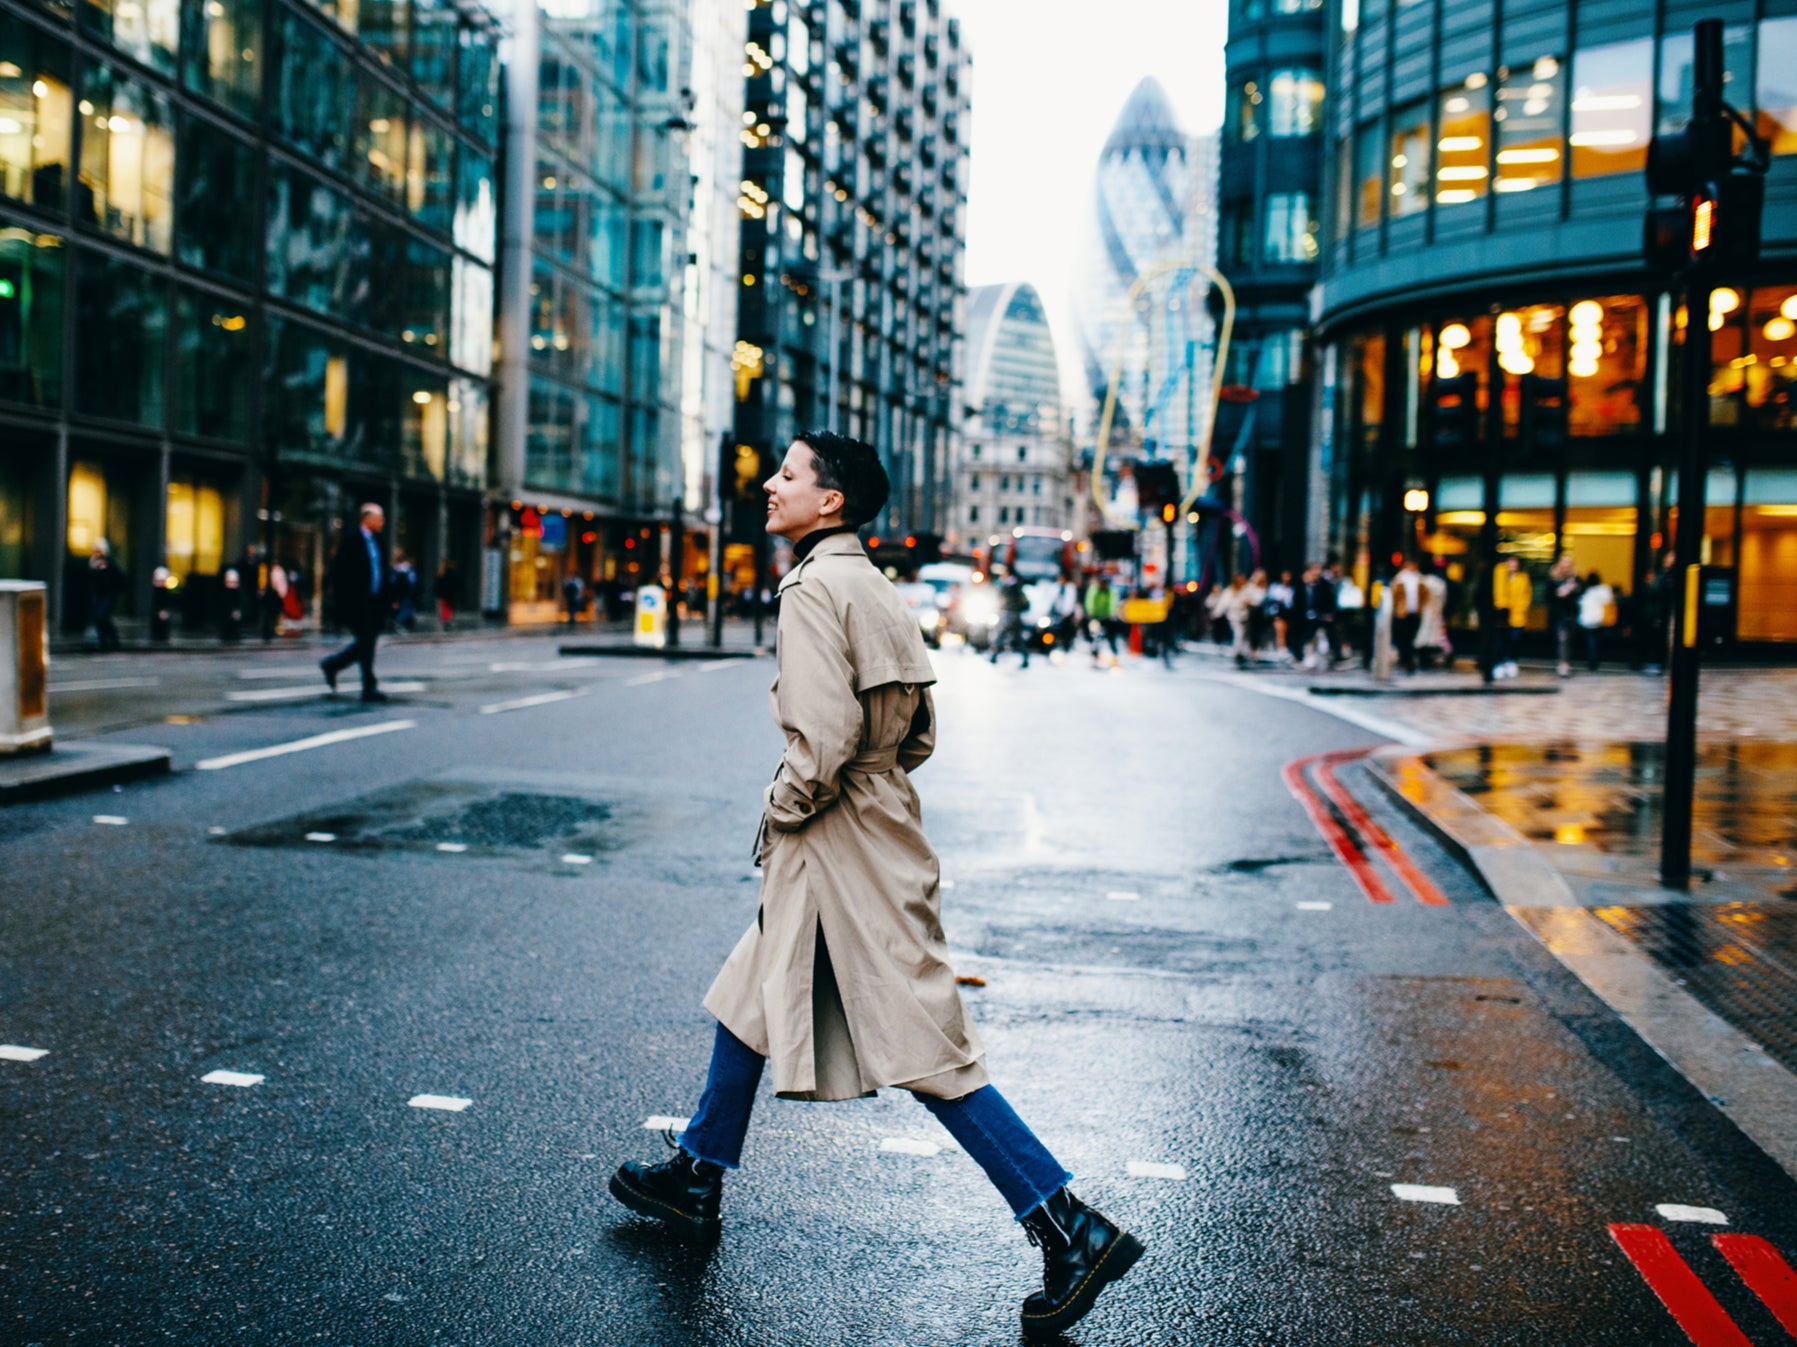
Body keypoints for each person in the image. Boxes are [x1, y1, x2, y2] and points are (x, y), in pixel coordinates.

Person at [608, 432, 1143, 1335]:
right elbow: (919, 728)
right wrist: (864, 784)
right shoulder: (876, 586)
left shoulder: (816, 589)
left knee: (924, 1044)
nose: (772, 485)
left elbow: (816, 745)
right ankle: (698, 1170)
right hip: (876, 820)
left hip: (837, 838)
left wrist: (782, 809)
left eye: (789, 474)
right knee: (750, 992)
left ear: (832, 502)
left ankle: (1068, 1225)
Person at [320, 503, 393, 702]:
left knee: (365, 643)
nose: (382, 522)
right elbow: (339, 573)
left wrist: (389, 599)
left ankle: (332, 665)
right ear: (367, 518)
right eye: (379, 518)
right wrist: (341, 601)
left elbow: (384, 572)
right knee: (367, 642)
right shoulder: (352, 540)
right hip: (357, 603)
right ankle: (369, 687)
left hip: (376, 602)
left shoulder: (379, 541)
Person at [1493, 556, 1531, 679]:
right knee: (1501, 640)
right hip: (1503, 614)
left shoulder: (1522, 578)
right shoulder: (1500, 576)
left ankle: (1511, 661)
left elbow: (1527, 595)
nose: (1512, 567)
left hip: (1517, 615)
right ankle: (1500, 662)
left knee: (1514, 639)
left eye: (1515, 565)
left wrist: (1522, 607)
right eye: (1510, 564)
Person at [87, 540, 125, 652]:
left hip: (108, 595)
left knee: (102, 616)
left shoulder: (109, 563)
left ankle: (112, 641)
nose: (98, 553)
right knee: (100, 618)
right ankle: (105, 641)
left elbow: (118, 577)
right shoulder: (93, 563)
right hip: (98, 594)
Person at [1549, 553, 1582, 678]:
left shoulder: (1575, 579)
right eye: (1564, 565)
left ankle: (1567, 661)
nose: (1566, 568)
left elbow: (1581, 593)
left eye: (1568, 565)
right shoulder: (1554, 580)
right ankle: (1563, 664)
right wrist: (1558, 593)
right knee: (1562, 639)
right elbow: (1548, 597)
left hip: (1571, 614)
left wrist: (1574, 588)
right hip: (1559, 615)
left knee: (1569, 639)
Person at [990, 572, 1031, 668]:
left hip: (1010, 617)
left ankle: (994, 656)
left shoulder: (1010, 589)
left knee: (1002, 637)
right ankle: (1025, 659)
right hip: (1014, 618)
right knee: (1017, 639)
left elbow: (1002, 599)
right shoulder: (1017, 589)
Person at [1391, 557, 1423, 674]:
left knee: (1409, 638)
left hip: (1413, 613)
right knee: (1404, 638)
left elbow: (1424, 596)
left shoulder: (1418, 579)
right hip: (1403, 613)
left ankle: (1407, 660)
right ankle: (1405, 660)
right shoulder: (1400, 579)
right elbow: (1394, 595)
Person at [1415, 563, 1450, 670]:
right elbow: (1444, 600)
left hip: (1425, 612)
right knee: (1431, 638)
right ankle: (1427, 660)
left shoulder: (1422, 581)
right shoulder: (1441, 584)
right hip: (1436, 613)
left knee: (1423, 636)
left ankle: (1423, 659)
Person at [1578, 570, 1614, 672]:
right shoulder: (1604, 590)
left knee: (1591, 642)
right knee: (1596, 641)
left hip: (1587, 621)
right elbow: (1609, 601)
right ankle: (1596, 660)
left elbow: (1580, 604)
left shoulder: (1586, 592)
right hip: (1600, 620)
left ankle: (1592, 662)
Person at [1083, 573, 1120, 664]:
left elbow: (1113, 603)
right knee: (1095, 637)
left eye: (1105, 583)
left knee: (1111, 637)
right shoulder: (1094, 590)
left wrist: (1112, 613)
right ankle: (1094, 657)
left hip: (1107, 618)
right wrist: (1090, 612)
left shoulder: (1111, 592)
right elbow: (1090, 601)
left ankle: (1114, 656)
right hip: (1096, 617)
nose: (1103, 585)